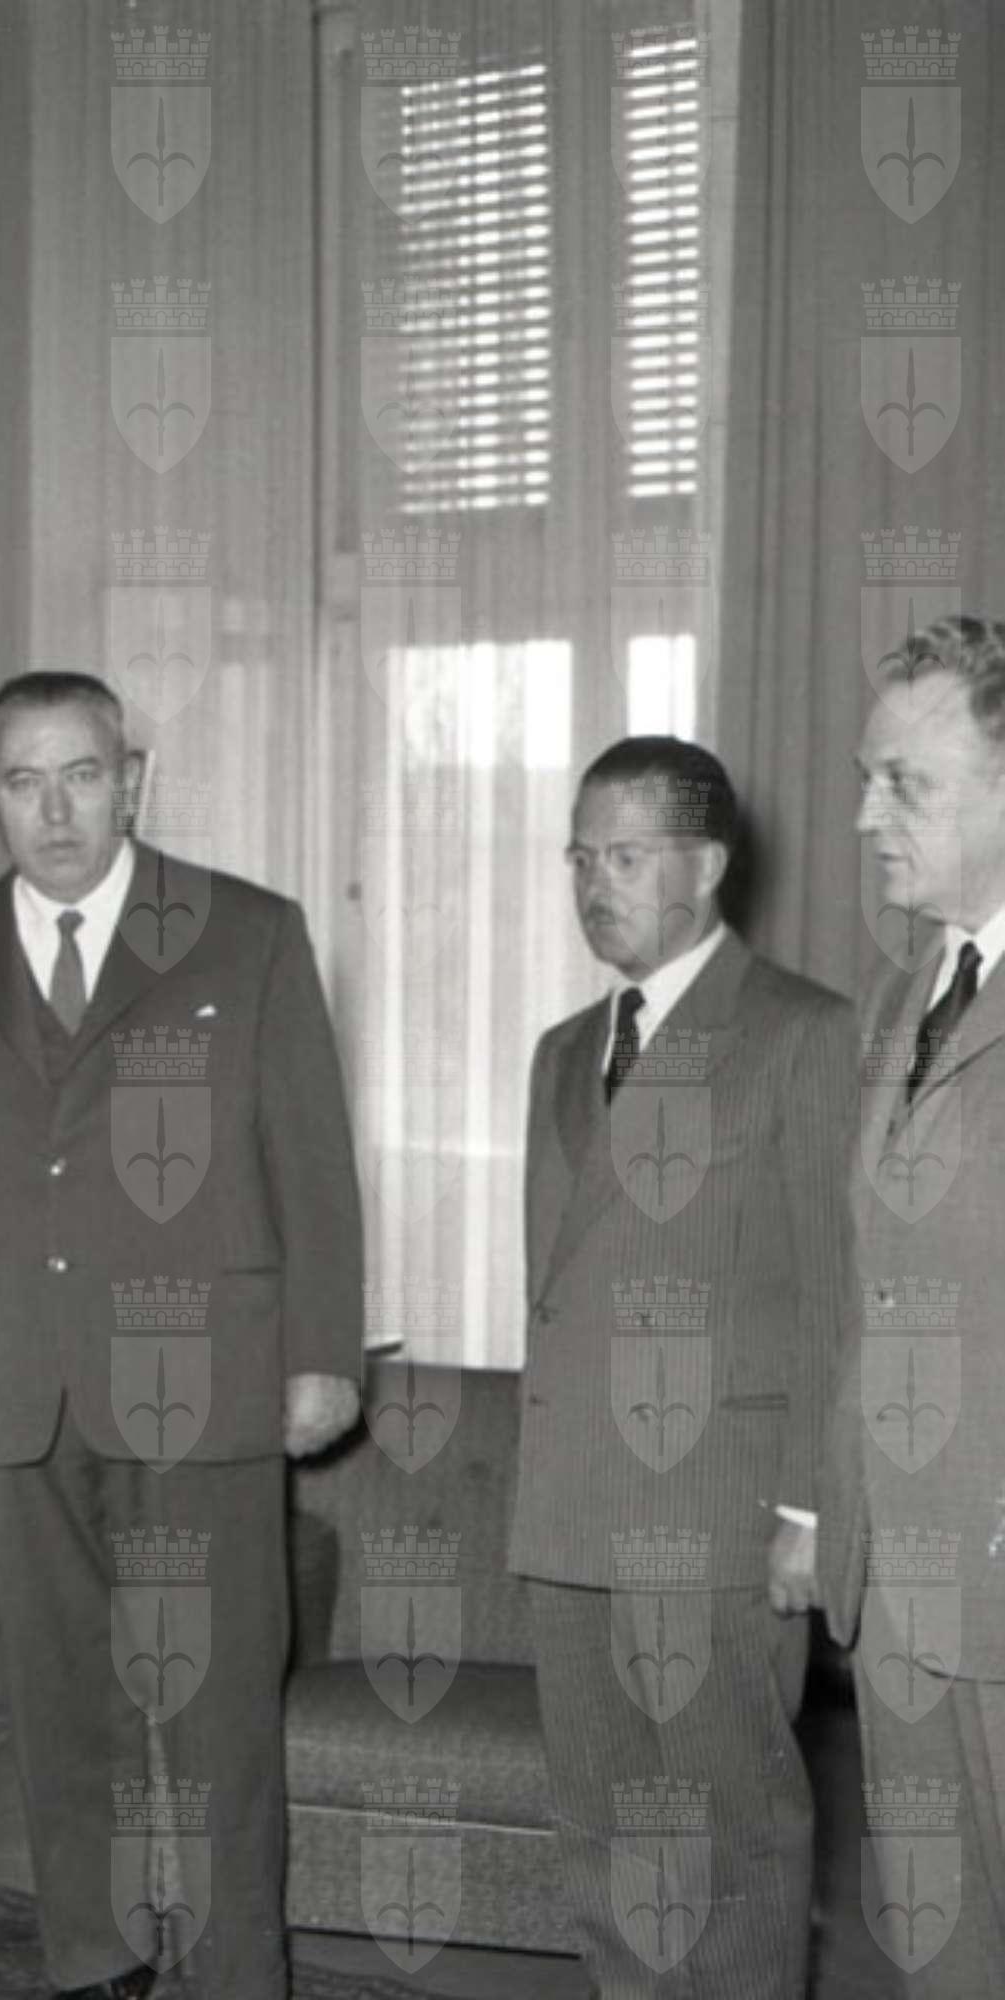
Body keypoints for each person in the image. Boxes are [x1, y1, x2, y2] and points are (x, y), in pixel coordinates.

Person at [0, 671, 363, 1999]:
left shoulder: (248, 933)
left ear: (131, 781)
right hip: (13, 1386)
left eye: (81, 776)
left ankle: (236, 1973)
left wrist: (320, 1351)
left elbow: (311, 1160)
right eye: (24, 782)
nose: (55, 811)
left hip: (204, 1376)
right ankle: (94, 1960)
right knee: (55, 1701)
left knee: (215, 1711)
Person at [514, 737, 854, 1994]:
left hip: (715, 1510)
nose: (592, 884)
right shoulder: (564, 1048)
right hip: (570, 1505)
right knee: (601, 1830)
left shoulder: (801, 1032)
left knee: (732, 1832)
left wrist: (810, 1506)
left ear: (705, 866)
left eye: (625, 856)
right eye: (579, 857)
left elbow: (835, 1288)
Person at [772, 617, 1005, 1992]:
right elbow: (864, 1280)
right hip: (904, 1580)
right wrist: (823, 1505)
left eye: (902, 783)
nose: (864, 818)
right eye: (866, 779)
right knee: (937, 1946)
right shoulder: (906, 988)